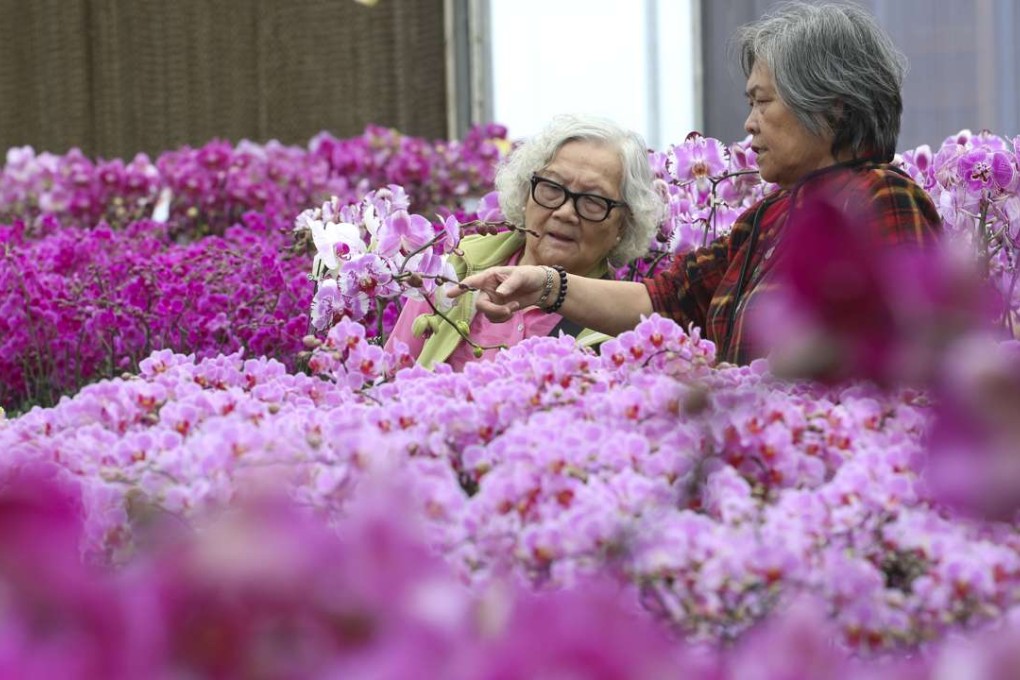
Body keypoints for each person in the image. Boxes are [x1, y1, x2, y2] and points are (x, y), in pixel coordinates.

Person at [451, 2, 942, 366]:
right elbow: (663, 300)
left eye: (762, 101)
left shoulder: (881, 200)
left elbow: (912, 361)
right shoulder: (769, 221)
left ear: (831, 105)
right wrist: (543, 285)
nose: (749, 124)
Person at [386, 114, 666, 369]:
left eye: (594, 201)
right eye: (552, 188)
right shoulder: (453, 272)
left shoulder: (622, 331)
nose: (565, 212)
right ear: (525, 193)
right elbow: (387, 384)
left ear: (623, 223)